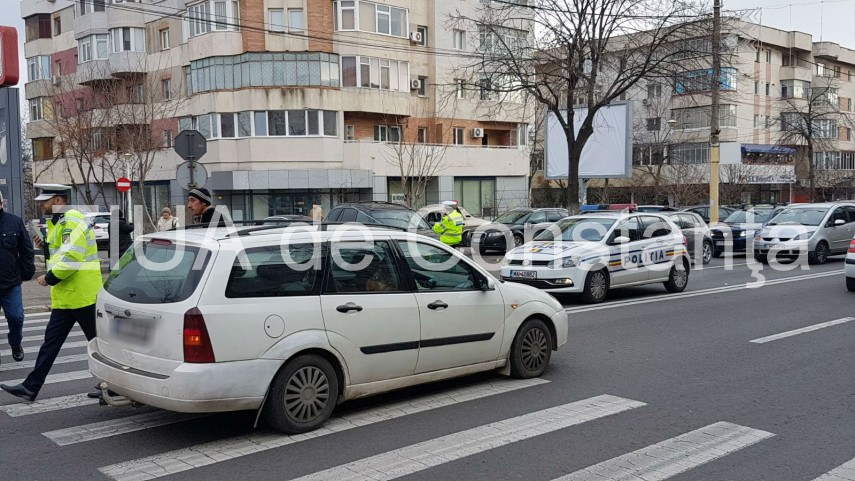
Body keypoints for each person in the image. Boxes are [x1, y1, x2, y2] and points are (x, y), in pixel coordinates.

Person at [1, 185, 102, 402]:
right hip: (67, 296)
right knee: (50, 344)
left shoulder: (72, 219)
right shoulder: (58, 222)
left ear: (58, 200)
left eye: (44, 201)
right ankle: (31, 387)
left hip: (82, 296)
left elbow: (72, 258)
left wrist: (49, 278)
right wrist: (44, 245)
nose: (41, 205)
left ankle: (111, 386)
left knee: (98, 345)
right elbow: (60, 253)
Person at [0, 191, 36, 365]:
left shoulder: (14, 222)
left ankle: (15, 343)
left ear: (1, 204)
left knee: (16, 317)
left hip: (10, 283)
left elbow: (27, 250)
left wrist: (26, 273)